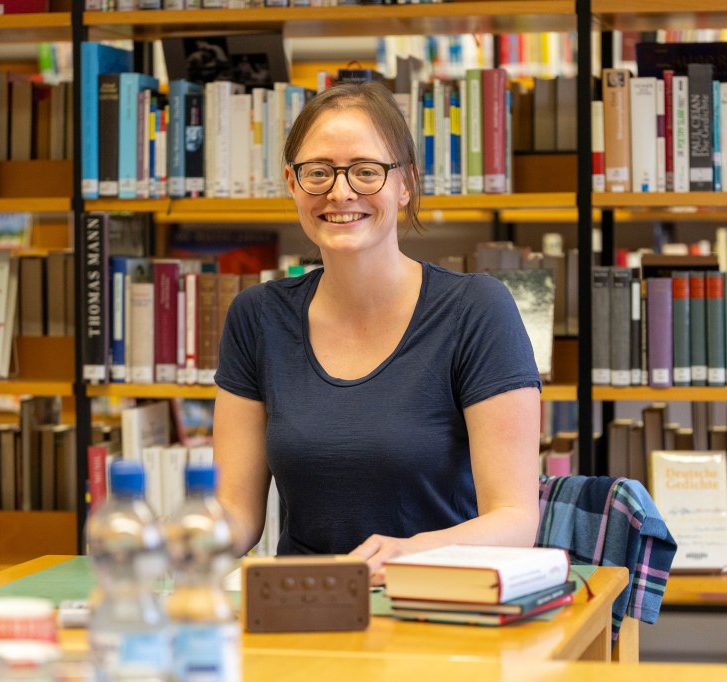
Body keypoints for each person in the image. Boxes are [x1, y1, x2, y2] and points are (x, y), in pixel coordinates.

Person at [213, 81, 542, 585]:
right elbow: (237, 512)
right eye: (318, 172)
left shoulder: (476, 309)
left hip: (433, 597)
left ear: (405, 183)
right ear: (292, 183)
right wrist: (178, 540)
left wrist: (407, 553)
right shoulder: (256, 316)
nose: (340, 192)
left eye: (366, 171)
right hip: (305, 602)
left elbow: (516, 520)